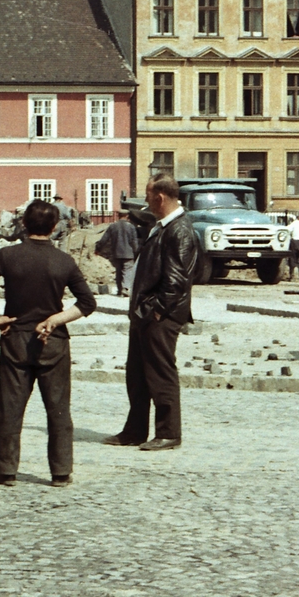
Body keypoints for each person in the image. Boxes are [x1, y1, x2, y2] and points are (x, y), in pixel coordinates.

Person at [0, 199, 98, 488]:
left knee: (10, 409)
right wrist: (56, 319)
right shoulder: (63, 261)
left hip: (15, 338)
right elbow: (87, 303)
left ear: (24, 224)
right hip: (52, 342)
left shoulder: (7, 255)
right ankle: (61, 472)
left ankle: (6, 471)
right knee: (58, 411)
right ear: (55, 227)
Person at [104, 174, 200, 453]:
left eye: (147, 195)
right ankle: (134, 431)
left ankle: (169, 432)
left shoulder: (179, 230)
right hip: (145, 314)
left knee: (160, 373)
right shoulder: (163, 227)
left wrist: (157, 311)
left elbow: (177, 279)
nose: (145, 200)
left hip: (159, 316)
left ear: (159, 197)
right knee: (137, 374)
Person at [95, 210, 140, 295]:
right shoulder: (131, 227)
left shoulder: (113, 226)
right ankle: (125, 288)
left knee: (118, 271)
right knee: (127, 270)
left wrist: (98, 249)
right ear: (127, 216)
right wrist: (136, 251)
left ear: (118, 215)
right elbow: (134, 241)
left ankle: (120, 290)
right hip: (128, 253)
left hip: (116, 252)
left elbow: (104, 239)